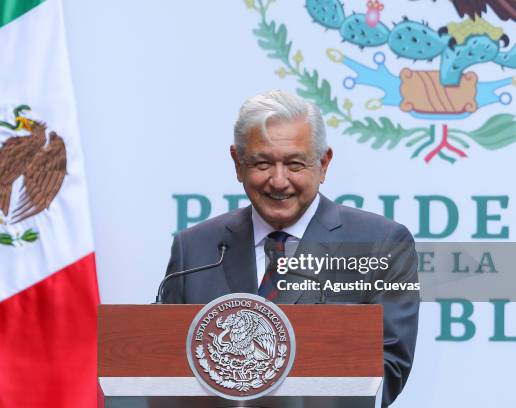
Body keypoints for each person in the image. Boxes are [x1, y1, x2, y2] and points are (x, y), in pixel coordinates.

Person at [163, 90, 419, 407]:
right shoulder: (195, 249)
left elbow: (388, 368)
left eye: (295, 164)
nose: (279, 181)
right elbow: (162, 365)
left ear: (323, 164)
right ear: (237, 163)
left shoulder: (381, 244)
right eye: (263, 163)